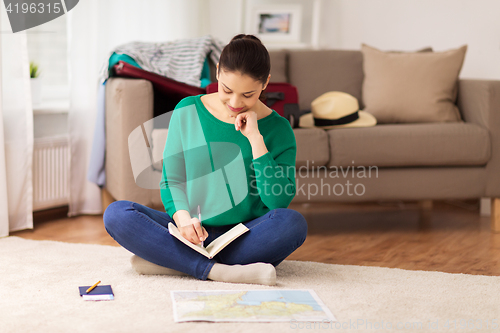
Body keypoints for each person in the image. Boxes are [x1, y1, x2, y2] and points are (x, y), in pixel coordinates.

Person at [103, 34, 307, 286]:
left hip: (245, 235)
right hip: (190, 230)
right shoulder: (188, 110)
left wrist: (256, 139)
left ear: (265, 83)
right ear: (218, 72)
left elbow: (278, 201)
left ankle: (175, 262)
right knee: (117, 214)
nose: (235, 103)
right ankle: (219, 270)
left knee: (293, 224)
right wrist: (183, 220)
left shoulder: (279, 129)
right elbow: (172, 180)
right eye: (227, 90)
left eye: (248, 94)